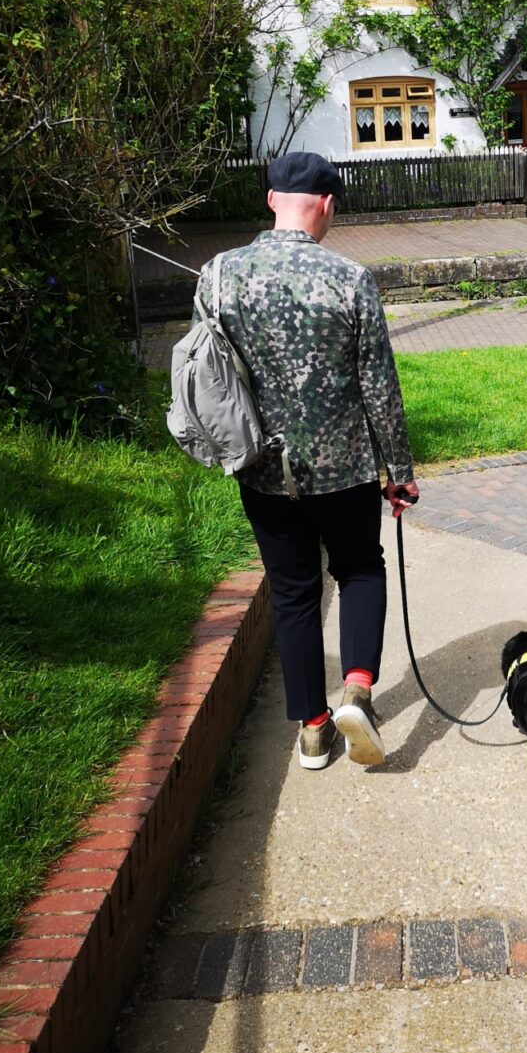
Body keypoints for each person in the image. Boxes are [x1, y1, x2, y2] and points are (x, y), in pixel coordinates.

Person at [193, 151, 419, 771]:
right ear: (326, 204)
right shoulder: (349, 280)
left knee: (292, 593)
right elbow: (379, 386)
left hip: (264, 471)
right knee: (360, 571)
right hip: (343, 470)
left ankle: (315, 729)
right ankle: (357, 689)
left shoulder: (216, 276)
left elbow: (205, 379)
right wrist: (397, 471)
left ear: (271, 200)